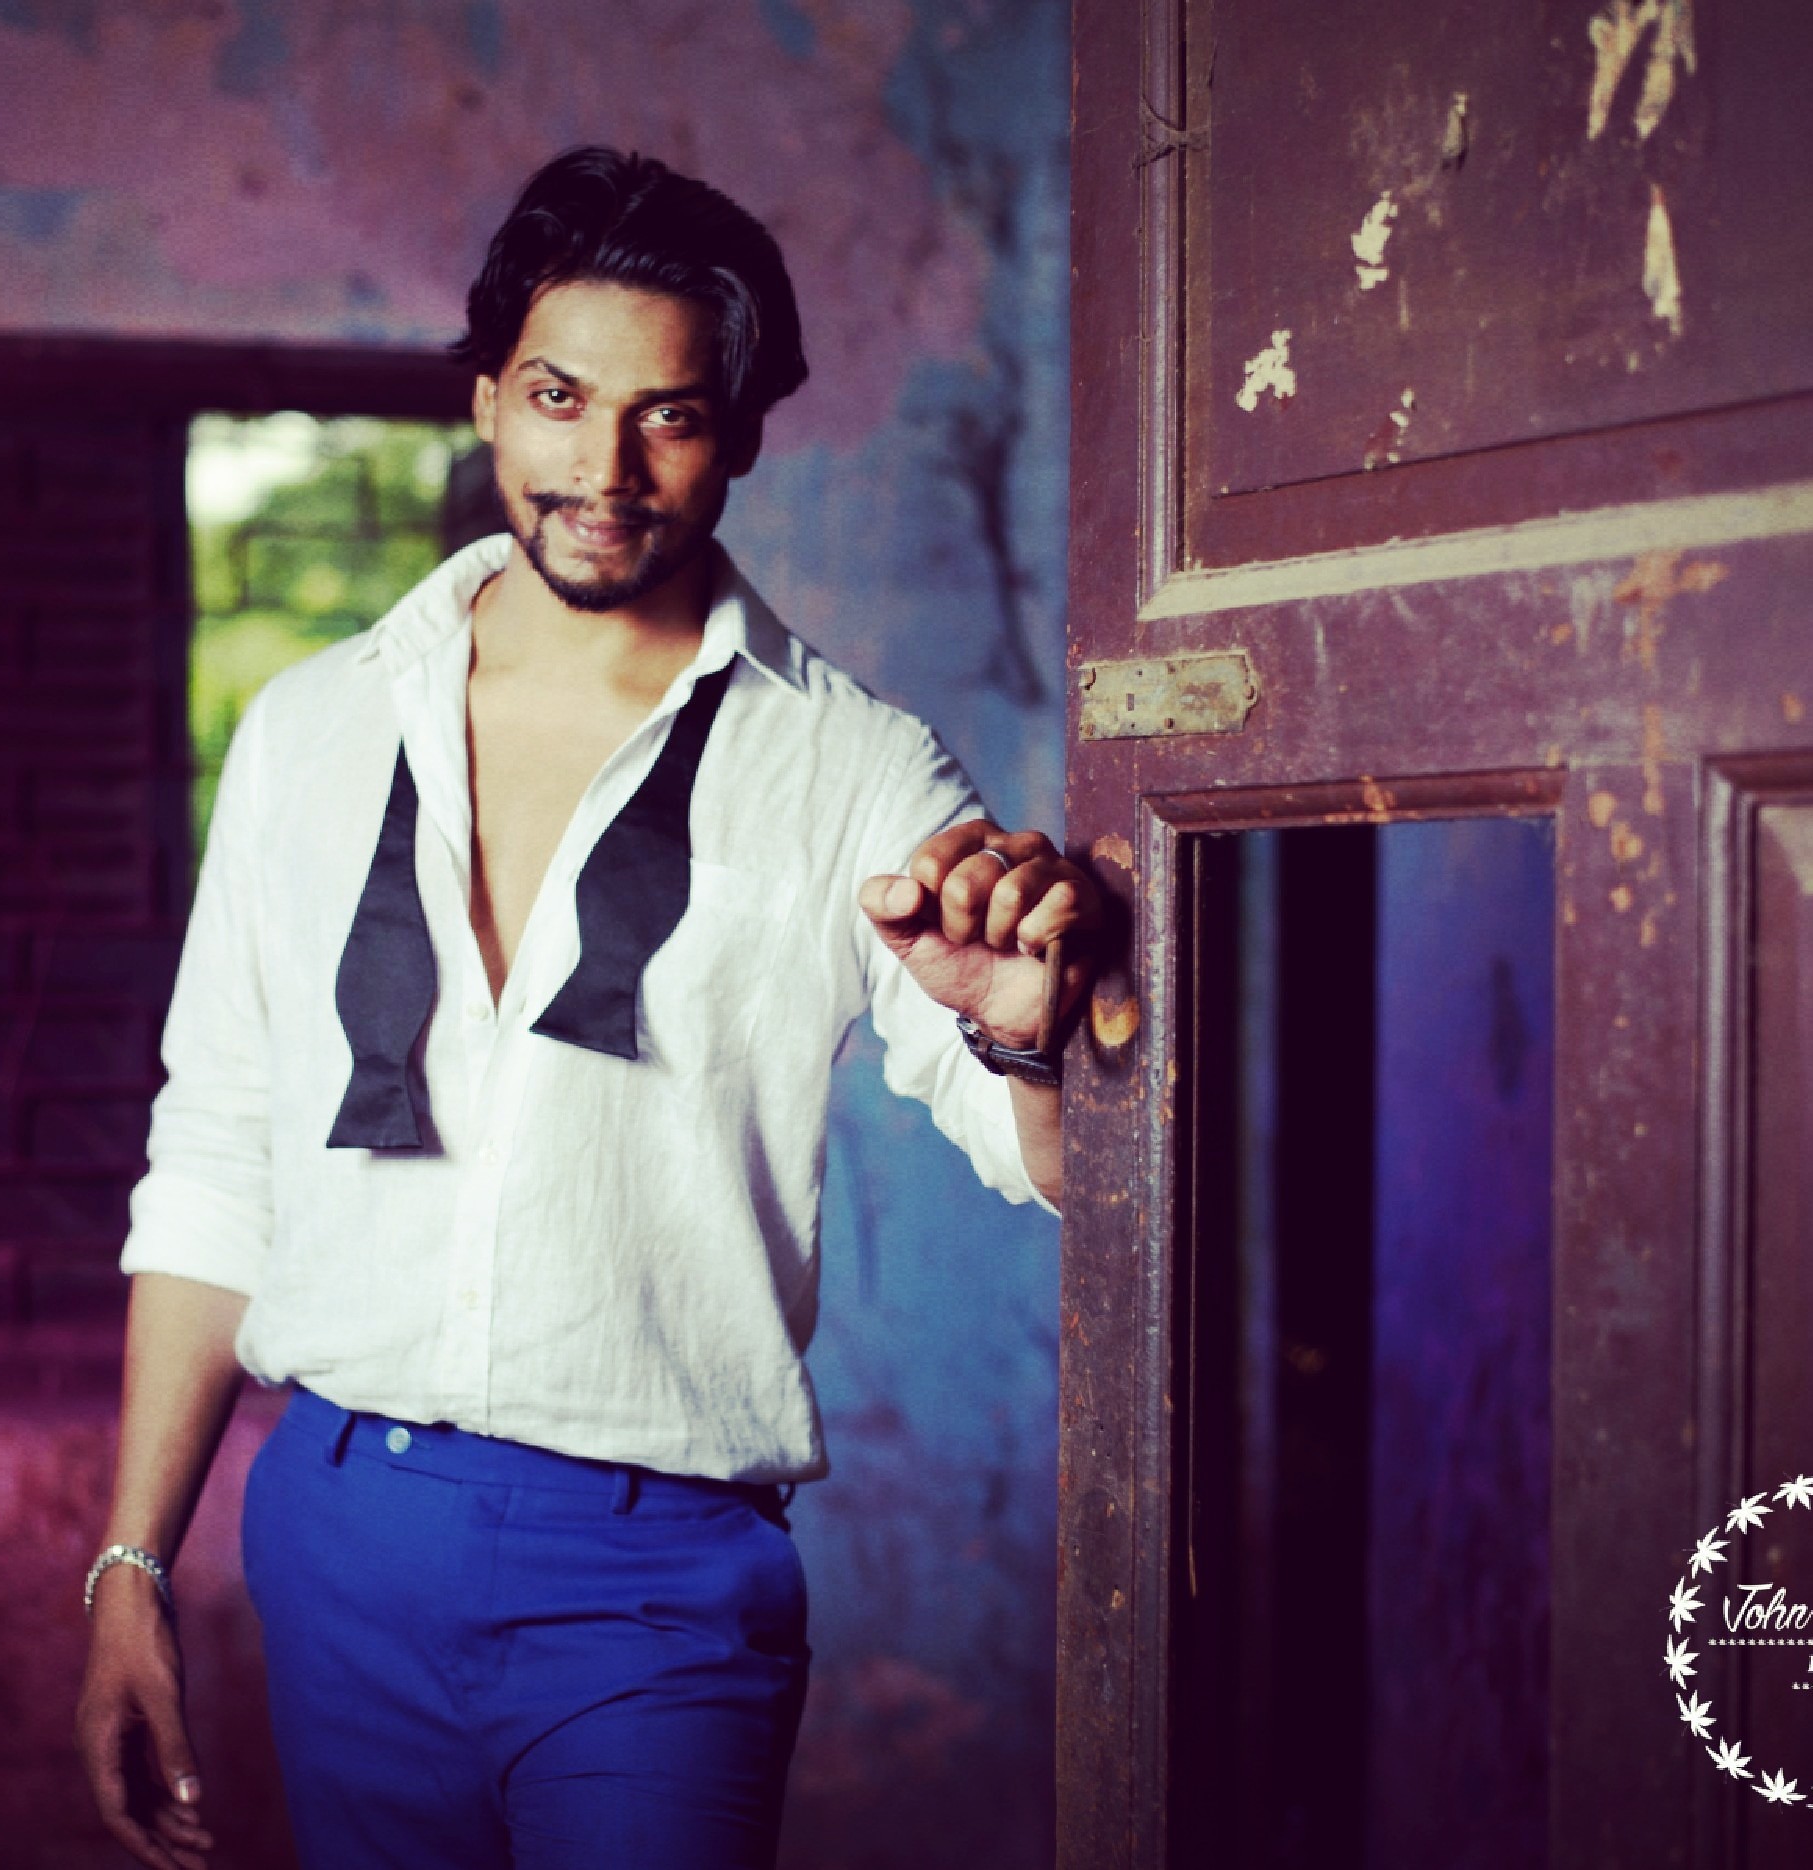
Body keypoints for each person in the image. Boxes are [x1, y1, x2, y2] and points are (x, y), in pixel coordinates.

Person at [76, 145, 1102, 1870]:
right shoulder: (311, 732)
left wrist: (1018, 1031)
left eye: (667, 416)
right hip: (338, 1531)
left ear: (741, 435)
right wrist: (130, 1563)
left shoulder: (853, 768)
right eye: (558, 396)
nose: (602, 469)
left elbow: (1053, 1162)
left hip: (656, 1575)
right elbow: (216, 1156)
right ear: (489, 395)